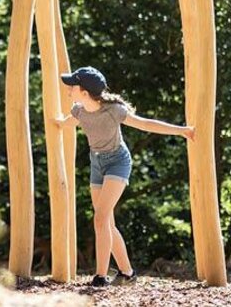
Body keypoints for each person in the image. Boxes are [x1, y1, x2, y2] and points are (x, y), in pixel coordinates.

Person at [54, 66, 195, 287]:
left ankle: (100, 276)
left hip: (118, 162)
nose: (69, 89)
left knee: (100, 218)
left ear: (84, 92)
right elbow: (69, 122)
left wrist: (181, 130)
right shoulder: (79, 111)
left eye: (73, 86)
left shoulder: (114, 111)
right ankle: (127, 273)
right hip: (97, 163)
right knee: (106, 222)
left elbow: (145, 124)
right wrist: (58, 124)